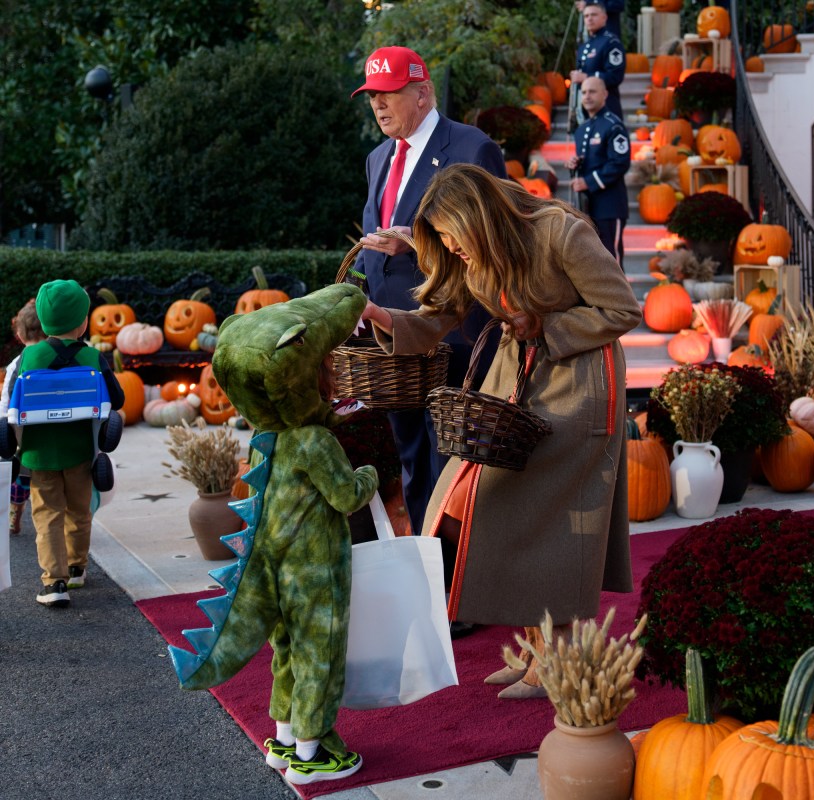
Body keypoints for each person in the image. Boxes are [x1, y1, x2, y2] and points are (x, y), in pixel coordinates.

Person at [361, 164, 641, 700]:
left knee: (551, 523)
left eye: (451, 235)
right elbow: (438, 315)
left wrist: (547, 325)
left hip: (578, 387)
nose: (449, 247)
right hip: (514, 383)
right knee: (486, 505)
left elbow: (622, 308)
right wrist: (381, 314)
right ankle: (539, 651)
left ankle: (554, 659)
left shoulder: (563, 232)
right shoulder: (473, 254)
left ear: (479, 219)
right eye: (440, 238)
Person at [170, 285, 378, 786]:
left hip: (274, 567)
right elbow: (347, 496)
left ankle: (284, 738)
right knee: (319, 654)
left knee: (285, 650)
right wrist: (368, 474)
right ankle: (314, 750)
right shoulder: (314, 442)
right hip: (314, 571)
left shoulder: (268, 439)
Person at [350, 46, 507, 549]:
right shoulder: (378, 158)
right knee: (412, 458)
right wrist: (357, 299)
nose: (379, 105)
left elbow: (496, 243)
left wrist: (418, 243)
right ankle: (428, 574)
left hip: (457, 335)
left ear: (423, 93)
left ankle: (461, 587)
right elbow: (373, 246)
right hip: (395, 339)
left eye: (389, 93)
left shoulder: (471, 147)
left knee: (453, 462)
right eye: (372, 95)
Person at [19, 280, 124, 608]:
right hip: (80, 451)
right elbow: (118, 399)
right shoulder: (93, 357)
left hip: (39, 454)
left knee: (48, 514)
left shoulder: (30, 357)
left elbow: (15, 403)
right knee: (79, 510)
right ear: (82, 323)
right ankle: (77, 567)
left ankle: (54, 583)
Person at [566, 77, 631, 266]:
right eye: (584, 92)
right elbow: (591, 161)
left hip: (610, 205)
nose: (587, 96)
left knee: (612, 261)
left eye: (592, 92)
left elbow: (620, 162)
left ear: (605, 94)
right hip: (588, 206)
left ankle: (621, 297)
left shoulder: (613, 125)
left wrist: (589, 182)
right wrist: (575, 164)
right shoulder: (583, 129)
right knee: (596, 263)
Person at [1, 300, 44, 535]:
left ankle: (15, 513)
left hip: (25, 437)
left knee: (21, 479)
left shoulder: (17, 364)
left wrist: (5, 432)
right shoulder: (54, 359)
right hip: (54, 432)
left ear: (19, 333)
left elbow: (6, 404)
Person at [570, 2, 625, 121]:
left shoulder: (611, 42)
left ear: (604, 18)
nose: (589, 19)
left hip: (607, 108)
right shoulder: (584, 46)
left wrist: (586, 77)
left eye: (594, 15)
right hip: (586, 111)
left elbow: (615, 76)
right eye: (586, 16)